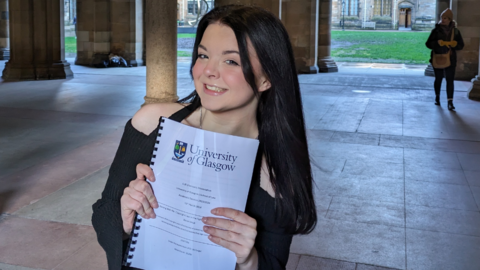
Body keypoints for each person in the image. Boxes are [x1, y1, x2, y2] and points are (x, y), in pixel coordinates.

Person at [92, 5, 317, 270]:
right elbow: (103, 211)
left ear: (265, 78)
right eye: (202, 55)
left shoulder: (276, 173)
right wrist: (124, 219)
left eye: (231, 60)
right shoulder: (151, 123)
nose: (208, 71)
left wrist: (249, 259)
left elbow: (273, 264)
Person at [426, 8, 464, 110]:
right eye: (442, 18)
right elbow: (428, 44)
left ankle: (450, 102)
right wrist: (437, 44)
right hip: (438, 58)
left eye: (445, 18)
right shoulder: (436, 30)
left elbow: (461, 45)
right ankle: (437, 97)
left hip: (451, 59)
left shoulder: (455, 32)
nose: (443, 20)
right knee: (438, 79)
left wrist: (454, 44)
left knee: (450, 80)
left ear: (450, 19)